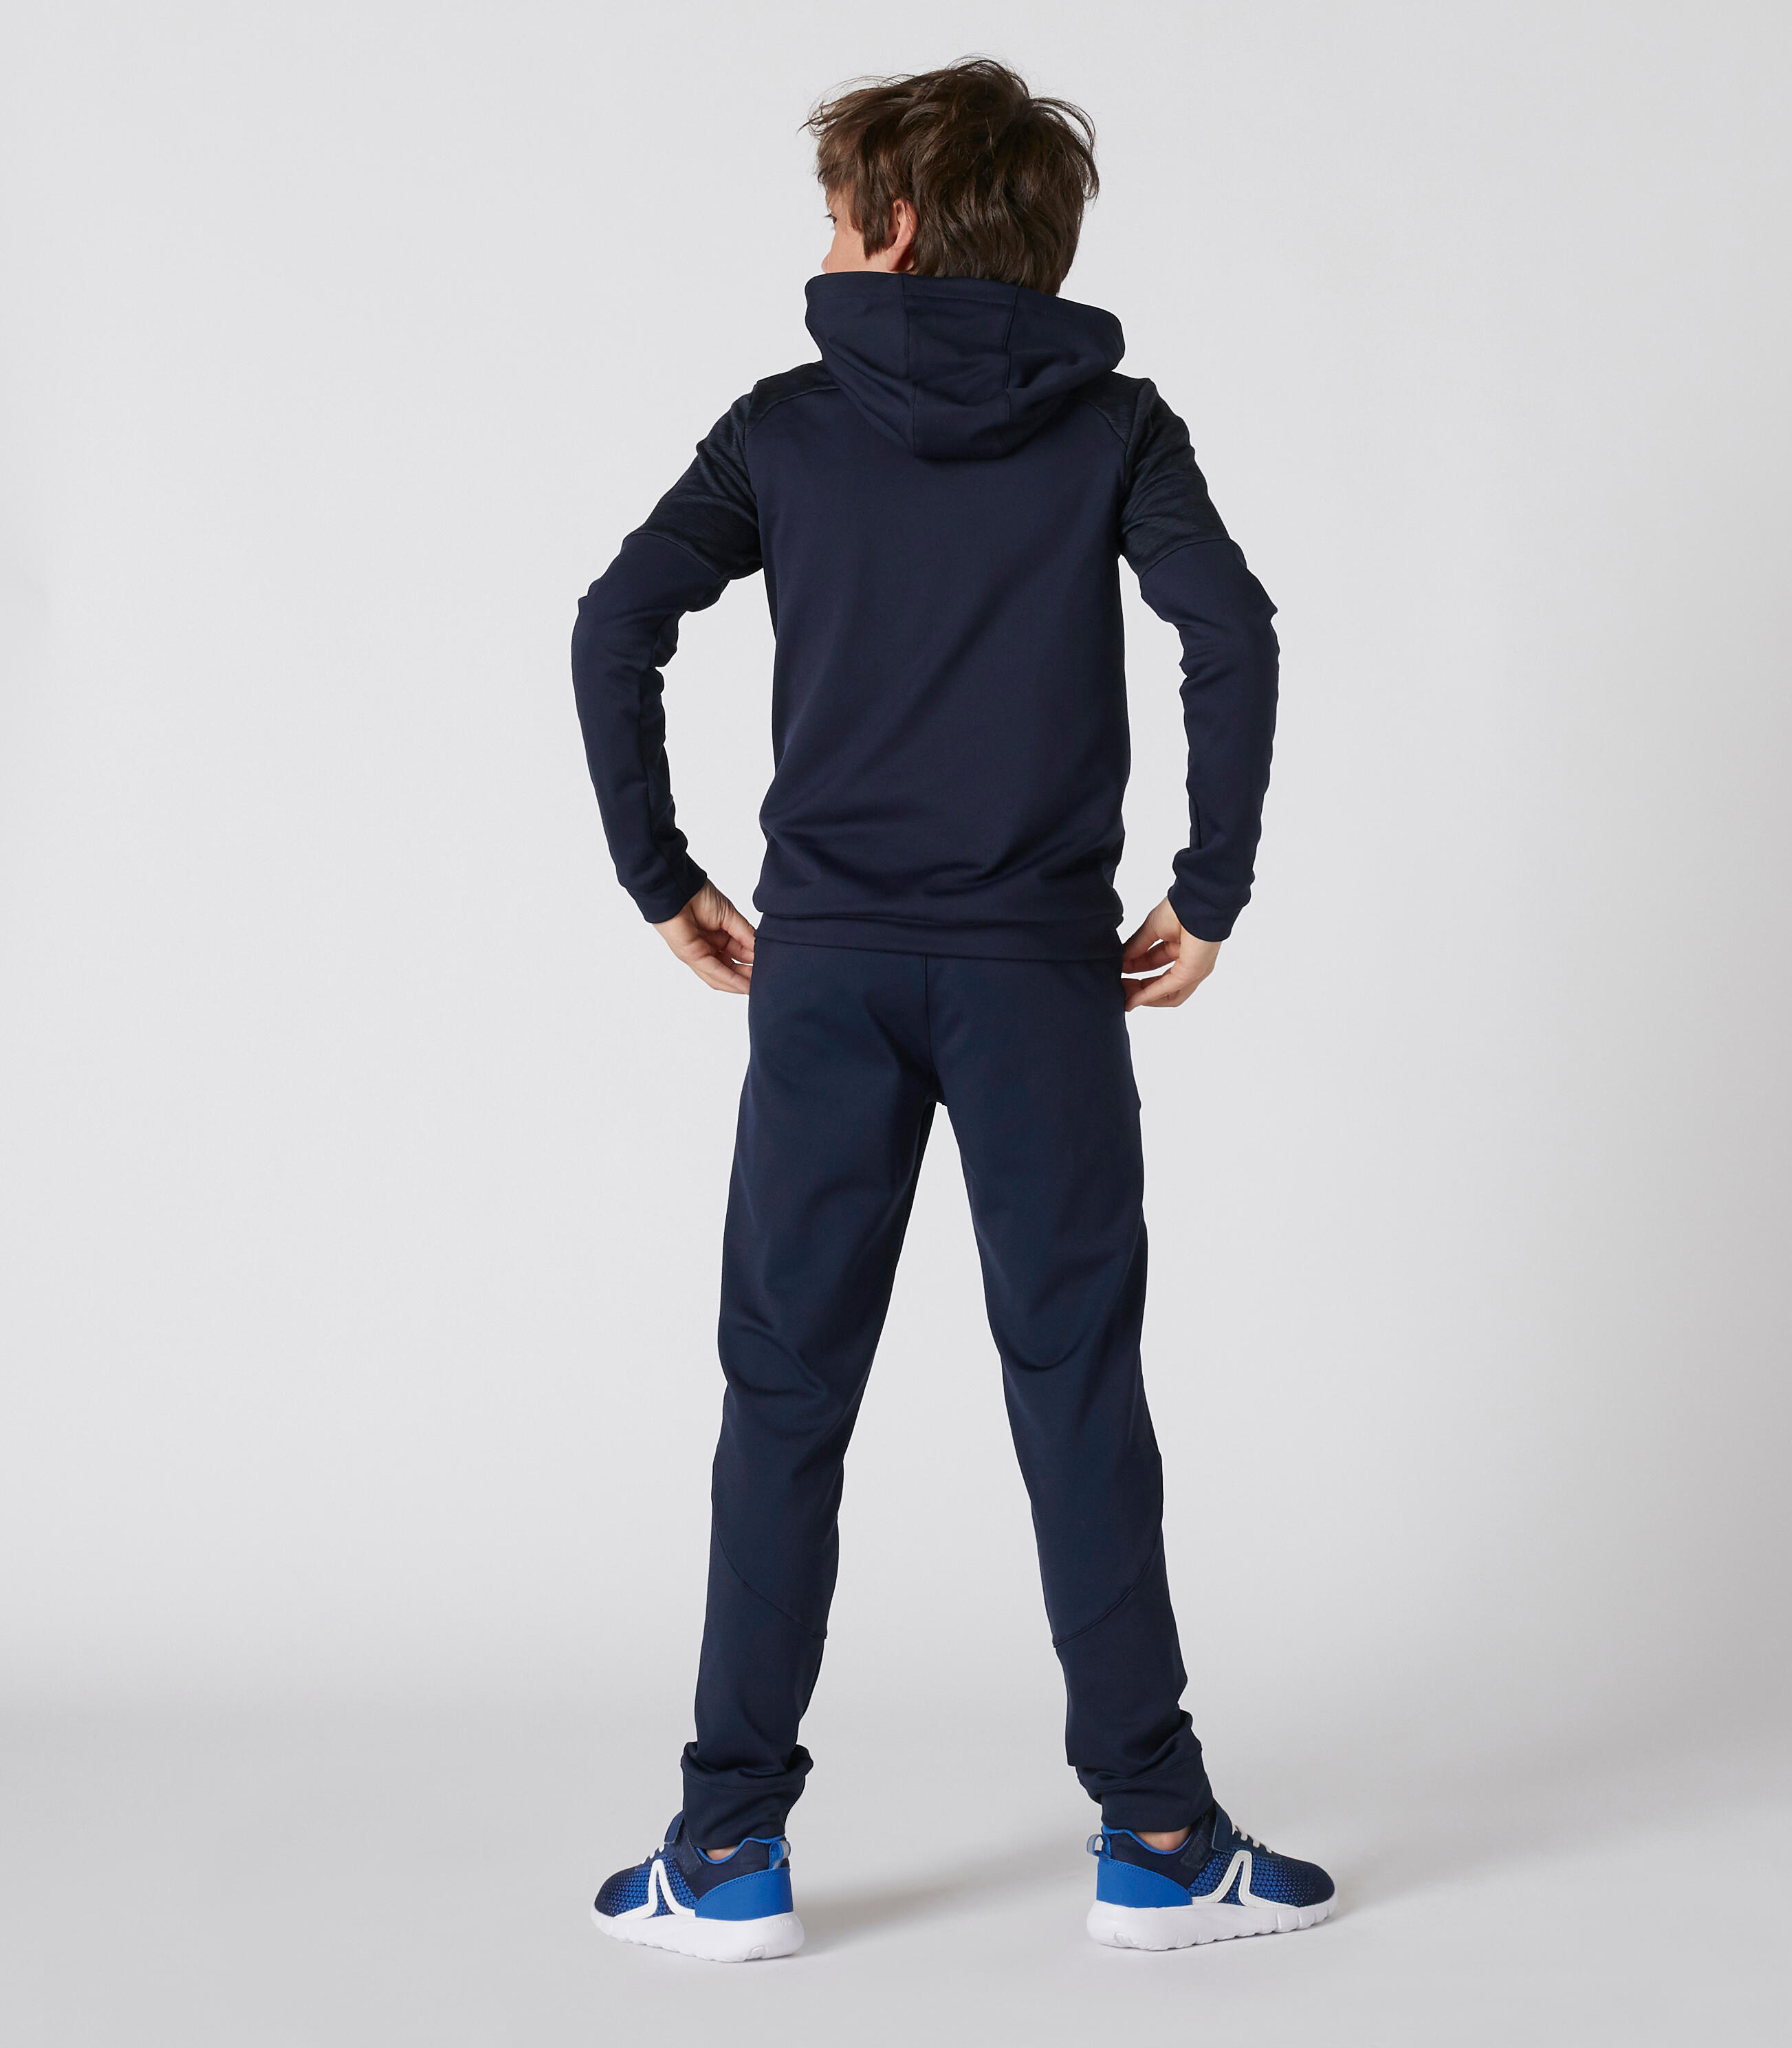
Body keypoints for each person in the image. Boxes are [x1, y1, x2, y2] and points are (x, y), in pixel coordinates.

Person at [571, 57, 1331, 1961]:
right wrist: (1210, 885)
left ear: (896, 227)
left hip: (824, 972)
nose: (823, 248)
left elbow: (614, 620)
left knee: (784, 1392)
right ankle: (1157, 1835)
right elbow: (1229, 631)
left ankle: (725, 1850)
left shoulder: (784, 428)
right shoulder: (1118, 428)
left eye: (837, 216)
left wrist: (661, 872)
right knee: (1075, 1381)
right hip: (1039, 981)